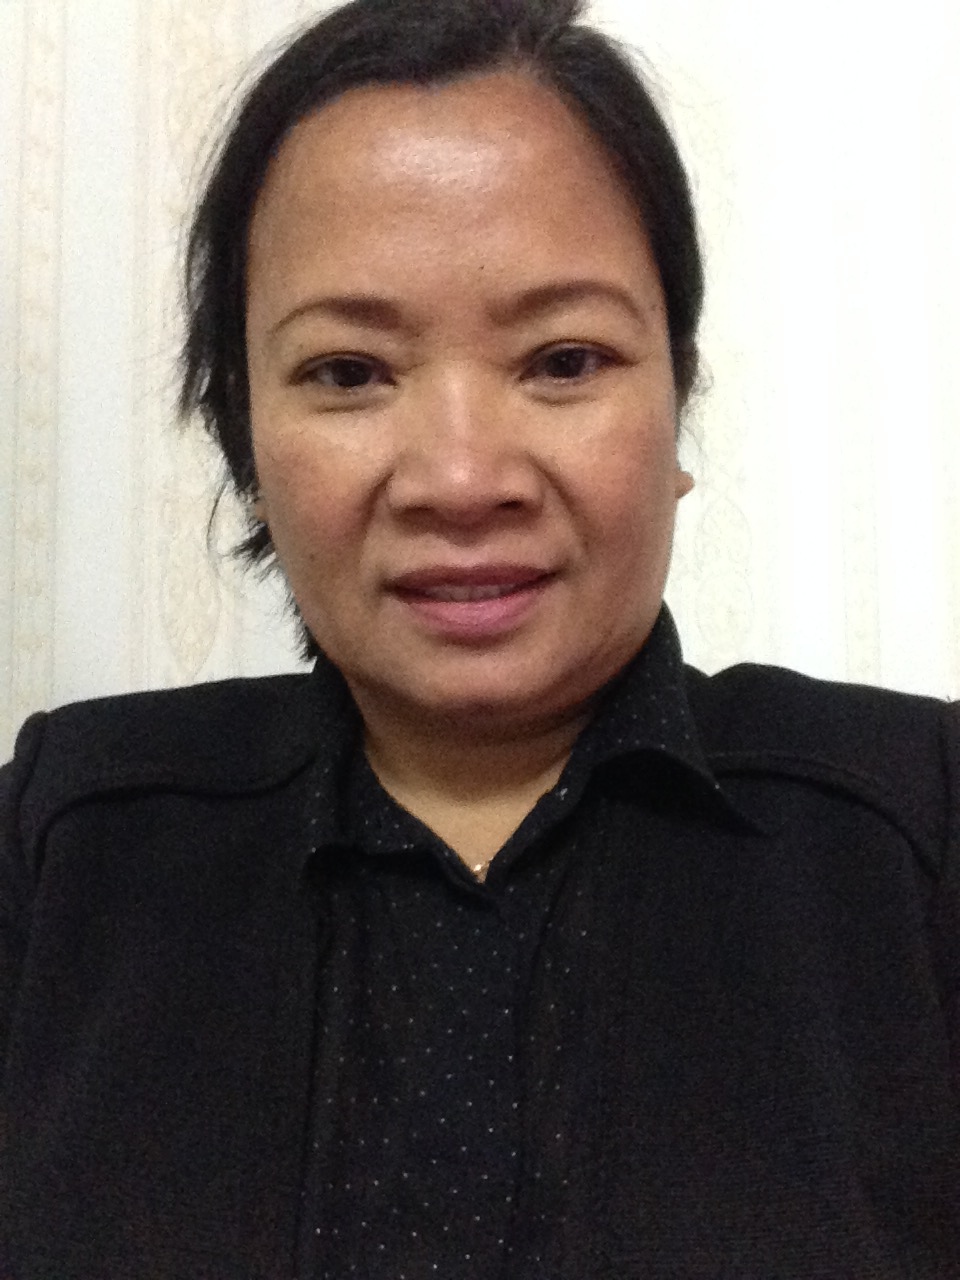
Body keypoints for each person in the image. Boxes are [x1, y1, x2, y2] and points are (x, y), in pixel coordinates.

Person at [1, 0, 958, 1275]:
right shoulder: (66, 838)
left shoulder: (918, 826)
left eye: (563, 359)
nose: (461, 478)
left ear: (677, 402)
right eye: (349, 371)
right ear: (246, 442)